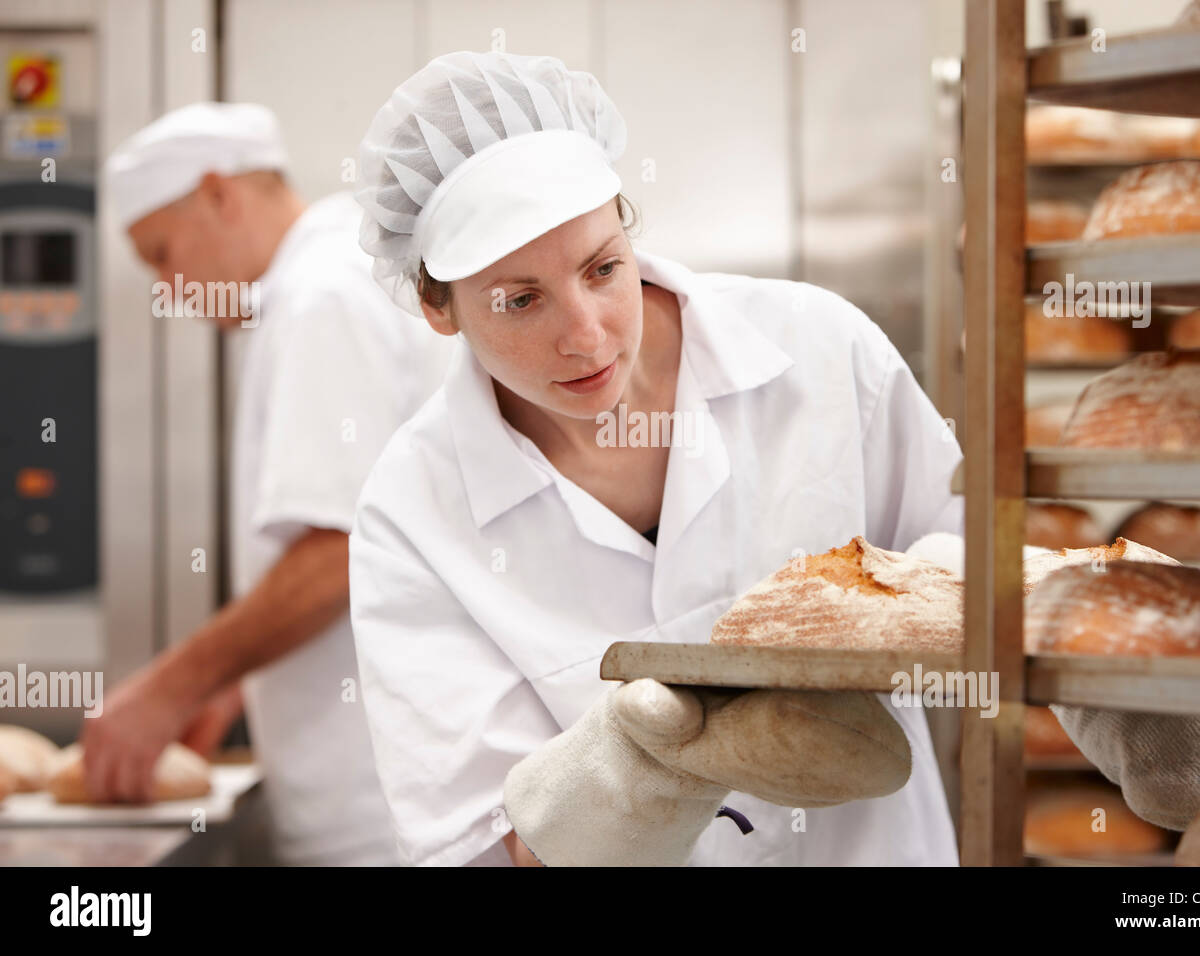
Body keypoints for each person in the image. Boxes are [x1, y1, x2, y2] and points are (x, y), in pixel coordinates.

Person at [346, 52, 965, 867]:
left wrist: (1102, 682)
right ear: (438, 307)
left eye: (604, 268)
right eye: (521, 300)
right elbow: (484, 848)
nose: (588, 334)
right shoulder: (414, 510)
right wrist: (633, 766)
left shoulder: (816, 348)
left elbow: (967, 552)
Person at [91, 103, 454, 865]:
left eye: (161, 253)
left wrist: (168, 690)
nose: (169, 287)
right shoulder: (333, 281)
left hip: (376, 810)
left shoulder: (319, 296)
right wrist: (240, 675)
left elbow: (334, 553)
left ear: (218, 194)